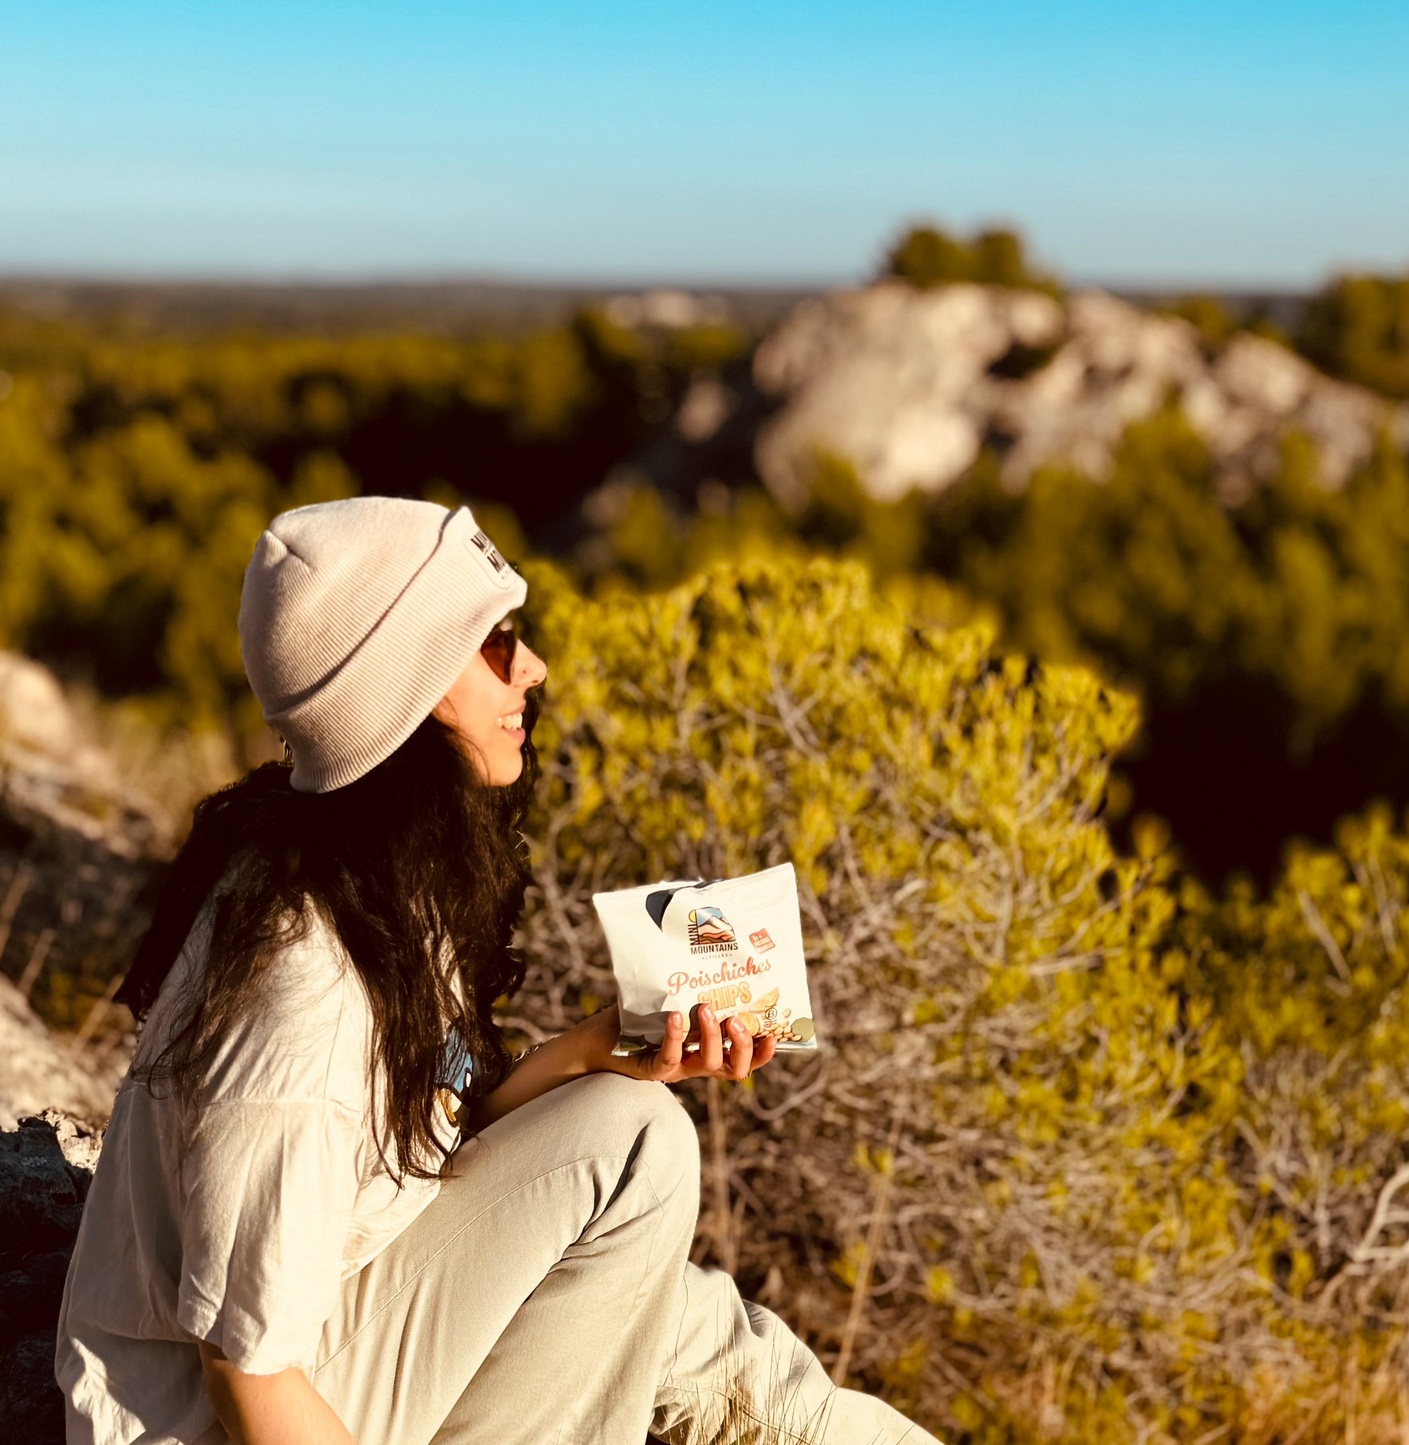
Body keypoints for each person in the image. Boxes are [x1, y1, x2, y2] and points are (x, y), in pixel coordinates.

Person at [55, 497, 930, 1445]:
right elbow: (251, 1377)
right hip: (217, 1421)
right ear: (414, 683)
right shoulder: (300, 994)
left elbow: (418, 1156)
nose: (535, 669)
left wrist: (596, 1048)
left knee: (683, 1272)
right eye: (499, 642)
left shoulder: (373, 874)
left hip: (350, 1318)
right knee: (640, 1161)